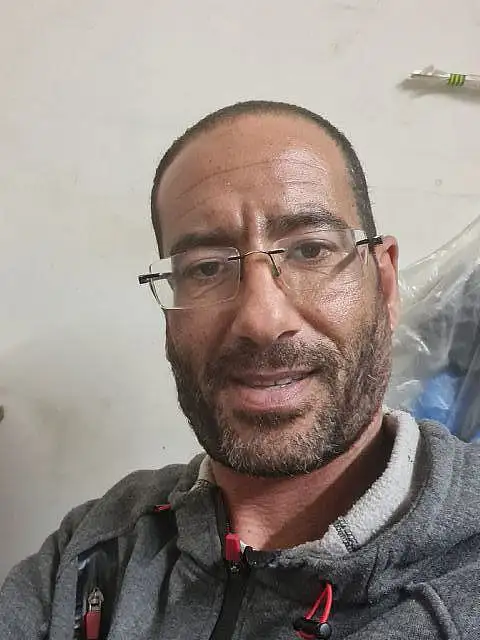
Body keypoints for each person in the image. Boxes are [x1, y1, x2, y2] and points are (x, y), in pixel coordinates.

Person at [1, 101, 479, 640]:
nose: (260, 320)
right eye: (206, 268)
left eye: (310, 250)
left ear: (385, 284)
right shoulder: (95, 551)